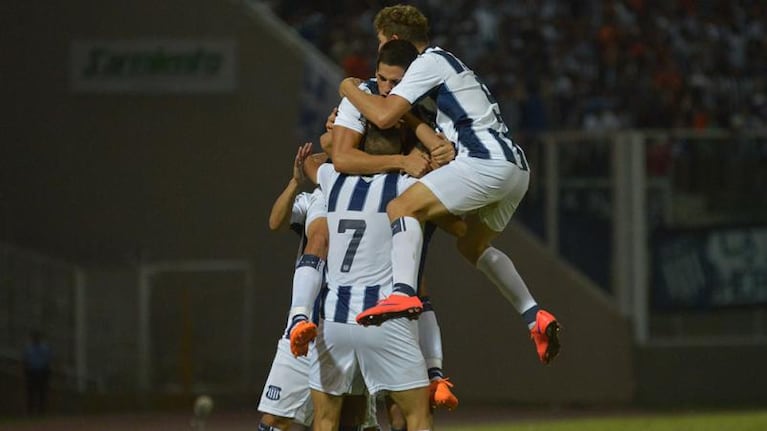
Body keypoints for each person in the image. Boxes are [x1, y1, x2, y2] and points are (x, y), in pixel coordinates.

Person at [338, 4, 561, 365]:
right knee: (470, 243)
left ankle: (403, 291)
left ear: (393, 40)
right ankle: (533, 314)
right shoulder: (448, 65)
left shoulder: (427, 64)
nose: (379, 51)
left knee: (401, 207)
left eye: (380, 42)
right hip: (515, 168)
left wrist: (347, 86)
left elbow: (382, 114)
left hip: (484, 162)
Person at [302, 124, 434, 431]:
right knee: (416, 416)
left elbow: (310, 162)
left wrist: (342, 143)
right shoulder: (406, 184)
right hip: (383, 317)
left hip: (333, 321)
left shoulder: (332, 178)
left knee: (325, 419)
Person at [258, 143, 377, 431]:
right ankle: (300, 317)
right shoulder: (317, 198)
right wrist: (294, 183)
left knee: (353, 421)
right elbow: (275, 221)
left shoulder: (369, 194)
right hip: (309, 329)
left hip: (348, 322)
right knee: (276, 421)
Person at [23, 330, 51, 416]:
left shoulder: (44, 348)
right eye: (34, 338)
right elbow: (25, 360)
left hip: (42, 371)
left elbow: (48, 360)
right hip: (32, 371)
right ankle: (30, 411)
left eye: (37, 338)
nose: (35, 340)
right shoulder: (29, 348)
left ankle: (41, 411)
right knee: (31, 392)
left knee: (42, 392)